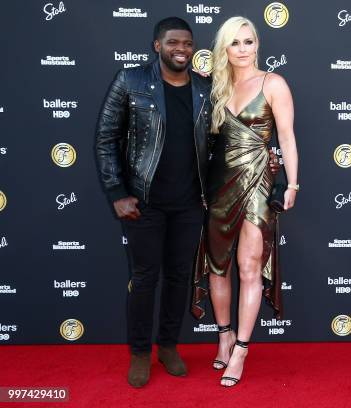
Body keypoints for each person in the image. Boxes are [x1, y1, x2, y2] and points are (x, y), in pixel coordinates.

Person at [95, 17, 212, 388]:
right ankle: (141, 352)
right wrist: (117, 193)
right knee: (145, 279)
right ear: (157, 46)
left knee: (179, 278)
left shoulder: (204, 89)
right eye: (174, 42)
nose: (182, 49)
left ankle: (169, 346)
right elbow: (106, 137)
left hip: (190, 203)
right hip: (144, 202)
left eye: (188, 44)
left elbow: (218, 143)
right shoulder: (130, 81)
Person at [203, 16, 299, 387]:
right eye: (235, 43)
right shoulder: (216, 88)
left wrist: (293, 184)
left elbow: (287, 137)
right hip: (219, 187)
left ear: (258, 44)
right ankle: (224, 334)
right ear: (224, 49)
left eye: (249, 41)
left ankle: (241, 348)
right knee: (218, 267)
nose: (244, 49)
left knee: (247, 267)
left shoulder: (273, 83)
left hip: (259, 183)